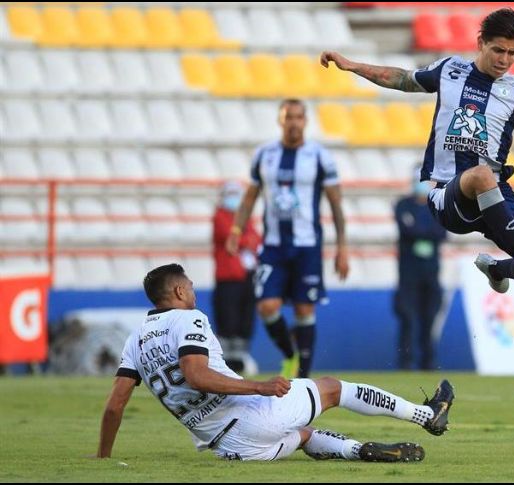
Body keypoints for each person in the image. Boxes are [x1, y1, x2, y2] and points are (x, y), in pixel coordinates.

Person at [320, 8, 514, 293]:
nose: (505, 59)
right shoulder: (449, 70)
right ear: (480, 43)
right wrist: (352, 66)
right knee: (482, 176)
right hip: (447, 194)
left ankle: (497, 268)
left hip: (496, 196)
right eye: (498, 50)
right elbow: (402, 78)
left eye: (513, 53)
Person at [96, 264, 455, 462]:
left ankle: (357, 450)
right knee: (332, 388)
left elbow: (115, 406)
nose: (192, 291)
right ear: (177, 292)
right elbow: (196, 375)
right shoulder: (188, 319)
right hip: (251, 416)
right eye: (188, 286)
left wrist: (103, 458)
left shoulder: (135, 338)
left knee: (302, 435)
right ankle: (428, 416)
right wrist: (259, 386)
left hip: (230, 448)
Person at [226, 99, 349, 379]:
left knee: (305, 309)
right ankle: (290, 354)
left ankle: (302, 378)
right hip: (273, 246)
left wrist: (342, 248)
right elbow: (249, 197)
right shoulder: (264, 155)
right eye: (288, 117)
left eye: (298, 117)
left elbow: (336, 204)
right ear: (280, 121)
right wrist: (236, 230)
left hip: (307, 246)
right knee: (267, 306)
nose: (293, 122)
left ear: (305, 121)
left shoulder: (319, 156)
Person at [393, 174, 446, 370]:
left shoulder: (437, 205)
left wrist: (418, 229)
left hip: (431, 272)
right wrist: (426, 231)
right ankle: (406, 362)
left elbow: (441, 233)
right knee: (408, 317)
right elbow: (407, 230)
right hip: (408, 272)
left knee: (429, 317)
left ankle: (428, 362)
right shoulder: (403, 205)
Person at [212, 181, 260, 374]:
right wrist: (246, 240)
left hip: (247, 276)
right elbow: (230, 236)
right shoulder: (220, 216)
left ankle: (240, 359)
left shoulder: (246, 218)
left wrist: (246, 240)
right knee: (228, 320)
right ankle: (226, 361)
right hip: (228, 276)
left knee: (245, 320)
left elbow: (257, 239)